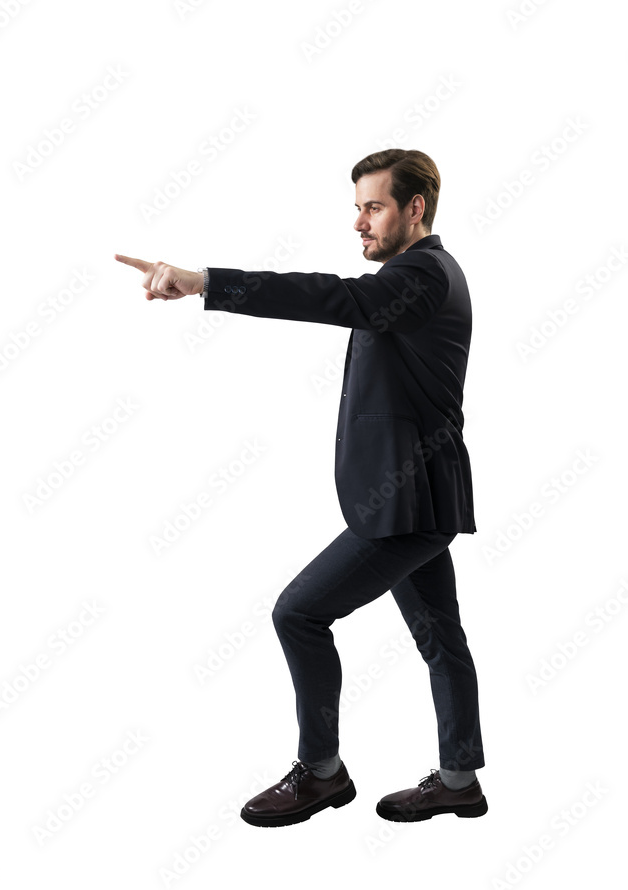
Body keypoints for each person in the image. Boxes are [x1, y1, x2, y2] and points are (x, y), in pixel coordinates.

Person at [115, 148, 487, 828]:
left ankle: (320, 772)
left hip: (406, 504)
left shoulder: (422, 276)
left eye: (373, 208)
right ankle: (458, 782)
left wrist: (204, 282)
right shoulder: (428, 273)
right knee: (441, 638)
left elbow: (331, 296)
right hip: (420, 495)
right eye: (357, 208)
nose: (359, 223)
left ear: (415, 208)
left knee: (299, 614)